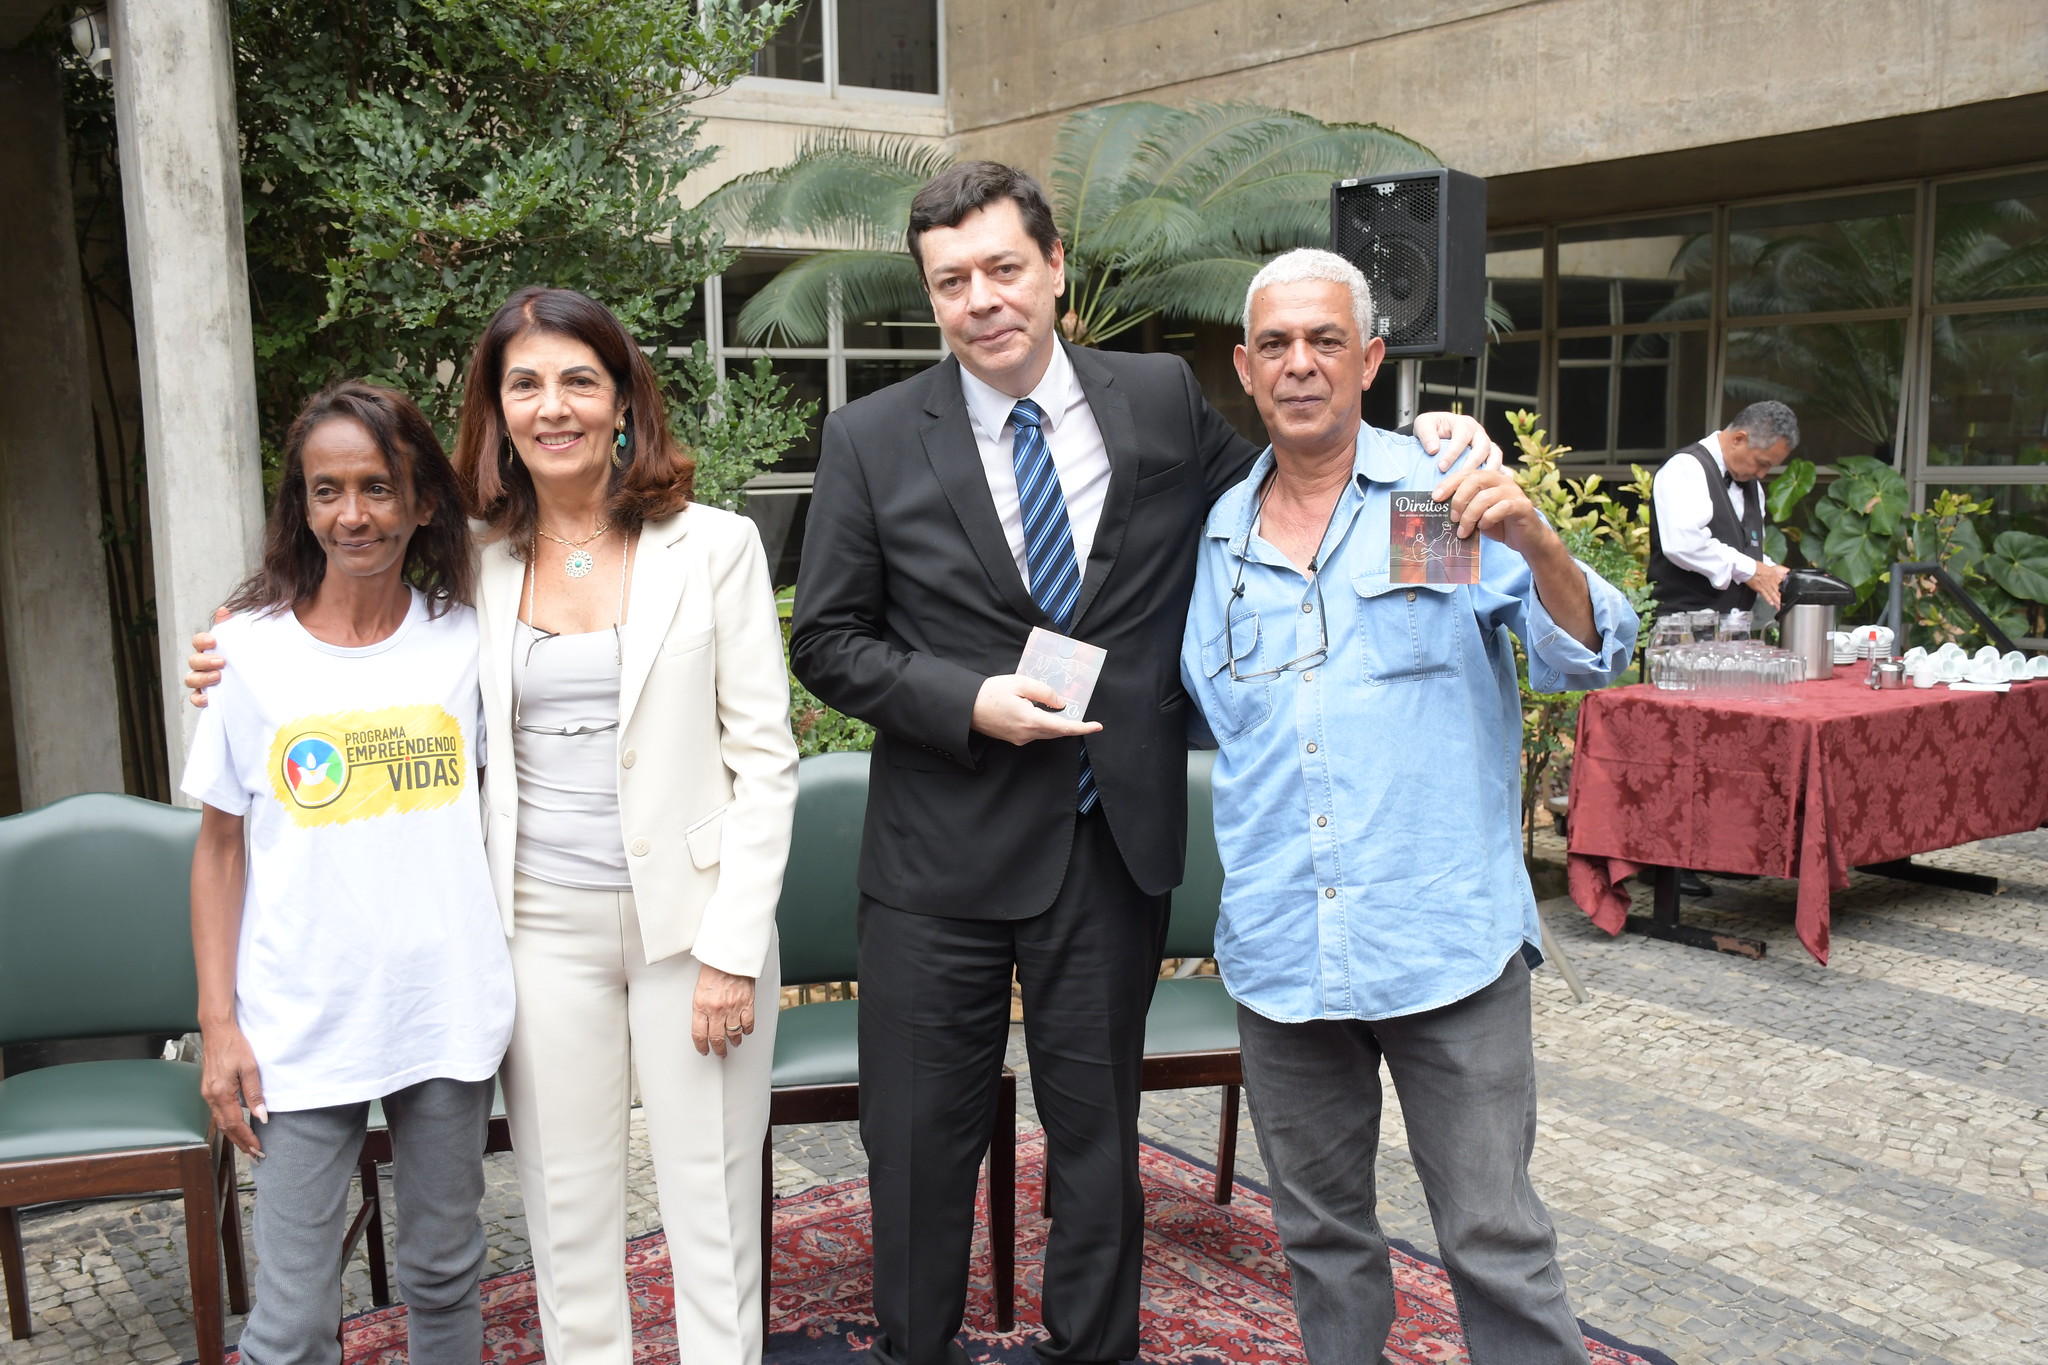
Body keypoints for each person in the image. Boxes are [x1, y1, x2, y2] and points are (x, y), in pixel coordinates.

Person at [788, 162, 1499, 1365]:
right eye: (951, 281)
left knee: (1095, 1143)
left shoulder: (1160, 397)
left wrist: (1427, 450)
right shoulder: (866, 437)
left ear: (1054, 268)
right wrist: (965, 701)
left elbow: (1291, 480)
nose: (981, 300)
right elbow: (827, 639)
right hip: (934, 863)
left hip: (1104, 847)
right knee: (913, 1146)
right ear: (930, 296)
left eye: (1003, 269)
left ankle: (1093, 1351)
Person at [187, 287, 799, 1365]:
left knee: (711, 1211)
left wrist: (731, 950)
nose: (551, 406)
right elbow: (342, 623)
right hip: (536, 928)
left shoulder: (715, 547)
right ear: (497, 411)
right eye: (524, 384)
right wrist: (230, 639)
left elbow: (766, 759)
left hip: (693, 932)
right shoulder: (474, 562)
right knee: (566, 1224)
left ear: (622, 401)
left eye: (577, 380)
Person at [1177, 249, 1637, 1365]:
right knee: (1320, 1237)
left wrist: (1531, 536)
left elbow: (1586, 656)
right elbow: (1204, 724)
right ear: (1243, 368)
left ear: (1369, 359)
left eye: (1324, 342)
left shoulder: (1440, 500)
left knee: (1493, 1237)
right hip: (1286, 954)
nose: (1299, 366)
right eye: (1275, 345)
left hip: (1441, 944)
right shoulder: (1216, 544)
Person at [186, 381, 513, 1365]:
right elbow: (218, 848)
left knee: (447, 1273)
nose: (352, 514)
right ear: (301, 504)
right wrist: (218, 1028)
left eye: (378, 487)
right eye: (326, 490)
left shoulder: (471, 639)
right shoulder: (245, 654)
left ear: (421, 503)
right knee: (290, 1315)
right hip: (299, 1021)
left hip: (445, 1009)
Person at [1648, 400, 1798, 614]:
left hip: (1733, 634)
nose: (1762, 474)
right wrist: (1752, 570)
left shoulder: (1754, 487)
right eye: (1761, 463)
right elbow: (1684, 544)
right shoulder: (1685, 467)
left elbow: (1744, 551)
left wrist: (1770, 570)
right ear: (1739, 439)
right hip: (1681, 629)